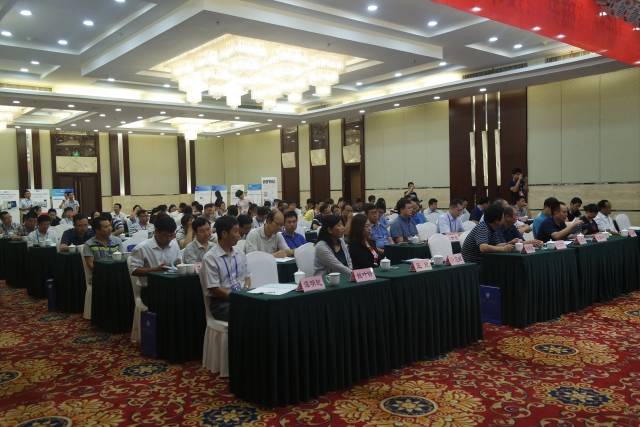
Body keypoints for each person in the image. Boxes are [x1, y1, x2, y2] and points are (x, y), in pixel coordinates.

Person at [199, 216, 251, 322]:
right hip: (221, 303)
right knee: (250, 313)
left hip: (241, 296)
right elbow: (215, 289)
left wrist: (245, 291)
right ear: (224, 234)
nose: (239, 235)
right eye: (235, 232)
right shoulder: (210, 258)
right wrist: (238, 297)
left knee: (261, 308)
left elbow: (247, 277)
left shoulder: (240, 253)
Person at [129, 215, 180, 286]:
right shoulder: (142, 247)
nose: (168, 239)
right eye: (165, 235)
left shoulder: (174, 244)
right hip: (151, 287)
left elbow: (178, 262)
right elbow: (134, 270)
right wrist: (155, 270)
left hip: (172, 284)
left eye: (171, 235)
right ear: (156, 232)